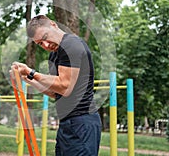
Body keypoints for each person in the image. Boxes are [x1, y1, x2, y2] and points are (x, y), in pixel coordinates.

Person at [11, 15, 101, 156]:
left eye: (45, 37)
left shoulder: (71, 44)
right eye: (40, 43)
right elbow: (55, 92)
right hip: (66, 123)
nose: (46, 45)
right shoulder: (54, 55)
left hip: (82, 121)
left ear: (53, 24)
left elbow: (65, 87)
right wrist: (27, 79)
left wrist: (31, 72)